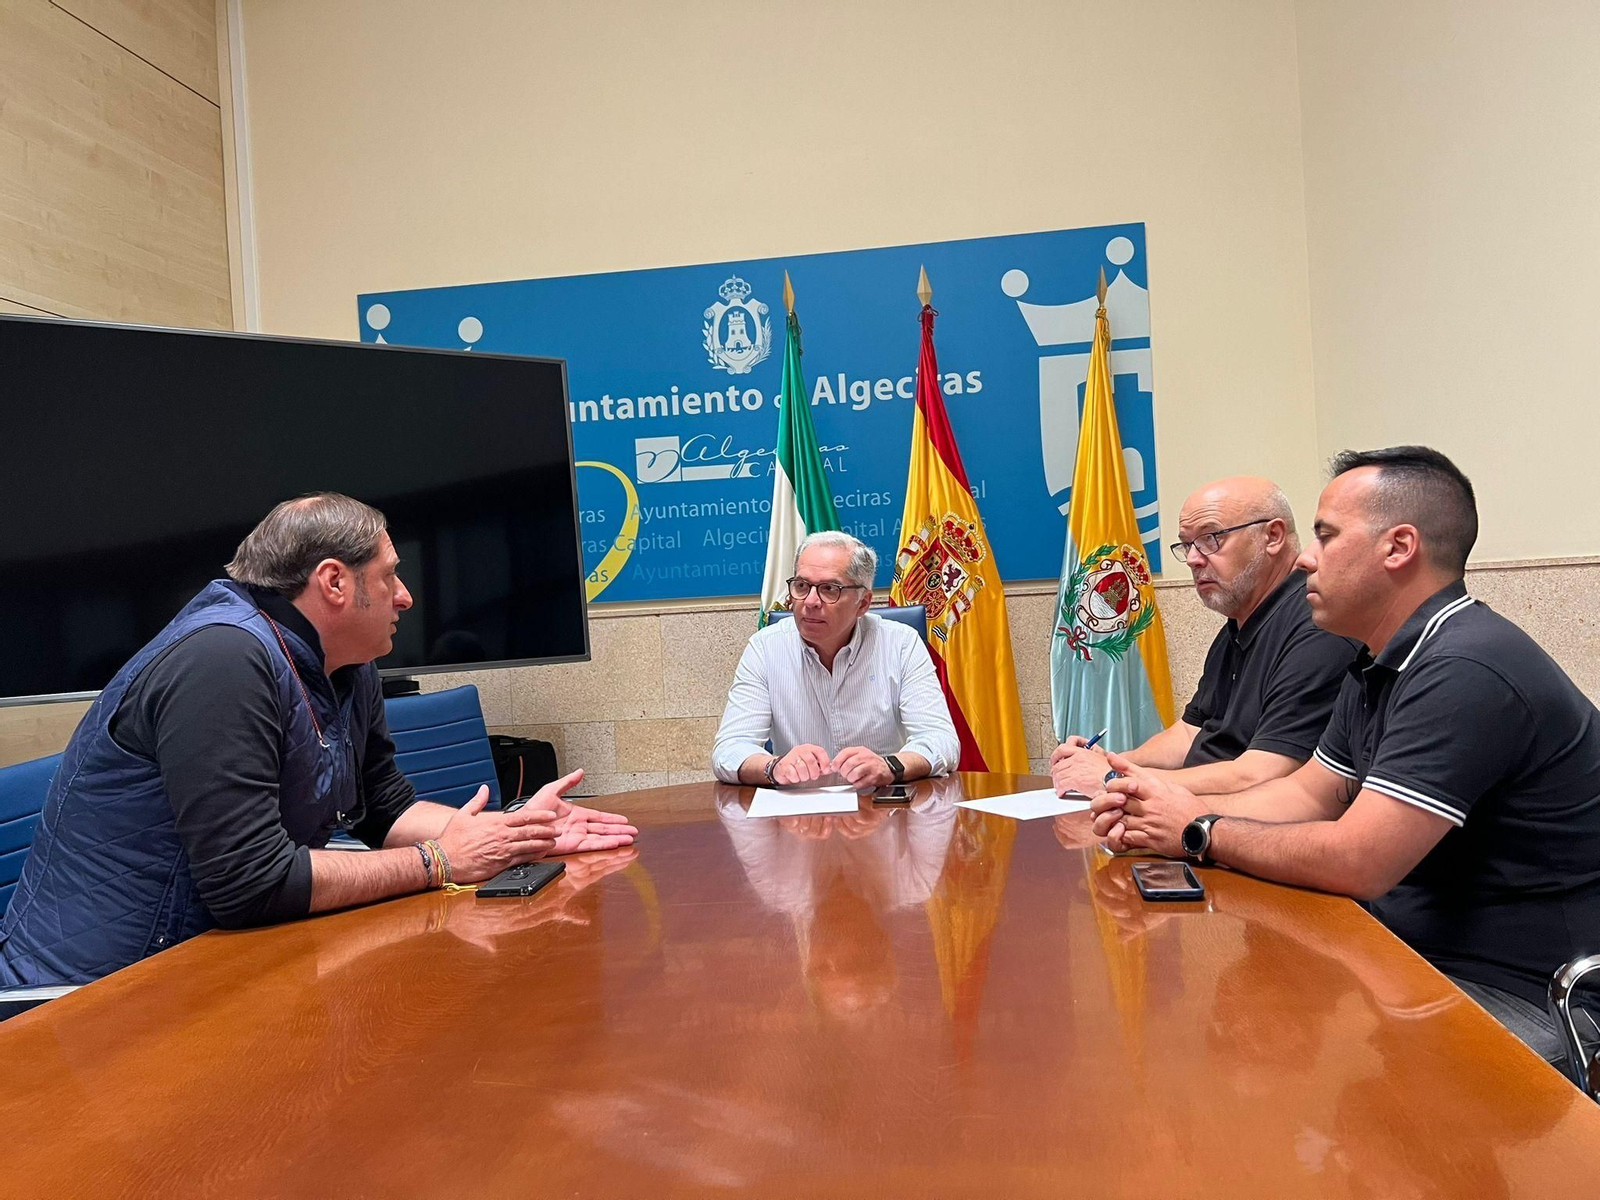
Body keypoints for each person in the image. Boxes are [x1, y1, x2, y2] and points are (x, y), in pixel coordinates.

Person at [0, 494, 636, 988]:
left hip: (214, 966)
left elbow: (385, 809)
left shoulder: (348, 663)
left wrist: (515, 834)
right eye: (390, 576)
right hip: (95, 998)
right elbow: (250, 884)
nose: (406, 597)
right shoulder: (222, 659)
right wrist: (441, 862)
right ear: (335, 582)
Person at [1090, 447, 1600, 1061]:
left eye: (1327, 536)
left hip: (1524, 992)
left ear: (1399, 547)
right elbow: (1307, 793)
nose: (1306, 557)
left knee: (1264, 1048)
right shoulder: (1377, 659)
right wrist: (1163, 812)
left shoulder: (1464, 666)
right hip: (1408, 949)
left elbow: (1360, 860)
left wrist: (1199, 830)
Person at [1051, 476, 1354, 798]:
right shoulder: (1239, 622)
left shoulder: (1318, 628)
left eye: (1211, 538)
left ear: (1273, 536)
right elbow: (1189, 732)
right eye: (1187, 544)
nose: (1193, 558)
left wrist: (1113, 777)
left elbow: (1264, 773)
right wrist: (1113, 761)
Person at [711, 531, 958, 789]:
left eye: (830, 589)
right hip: (800, 808)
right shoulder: (765, 648)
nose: (810, 601)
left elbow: (941, 741)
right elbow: (729, 749)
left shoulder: (901, 644)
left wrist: (890, 766)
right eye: (801, 586)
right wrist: (774, 767)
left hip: (879, 805)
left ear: (863, 604)